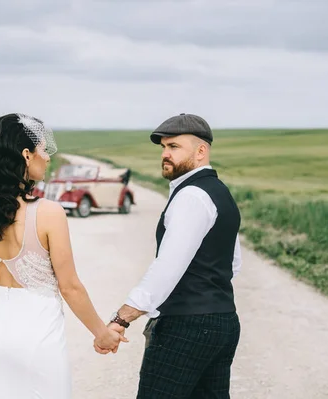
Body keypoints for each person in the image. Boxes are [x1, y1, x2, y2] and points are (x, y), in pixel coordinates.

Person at [0, 113, 126, 399]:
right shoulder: (48, 213)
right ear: (26, 154)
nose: (47, 157)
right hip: (38, 334)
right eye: (43, 149)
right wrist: (101, 333)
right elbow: (69, 286)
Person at [98, 113, 242, 399]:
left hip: (185, 328)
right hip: (223, 321)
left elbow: (168, 268)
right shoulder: (219, 192)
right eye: (163, 147)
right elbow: (233, 263)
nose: (165, 154)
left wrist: (122, 318)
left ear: (201, 151)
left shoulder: (191, 196)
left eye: (174, 147)